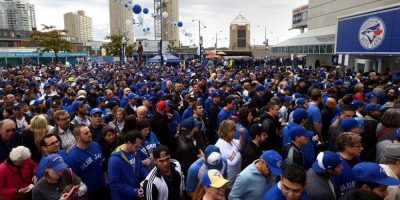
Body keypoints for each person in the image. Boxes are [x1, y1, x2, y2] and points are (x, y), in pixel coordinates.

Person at [66, 124, 110, 200]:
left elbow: (103, 163)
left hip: (103, 186)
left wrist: (106, 179)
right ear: (78, 138)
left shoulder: (95, 145)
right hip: (90, 193)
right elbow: (74, 180)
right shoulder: (72, 157)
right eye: (86, 133)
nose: (90, 134)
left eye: (89, 132)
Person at [108, 130, 148, 200]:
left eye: (139, 146)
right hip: (122, 197)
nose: (138, 149)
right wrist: (134, 191)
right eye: (136, 146)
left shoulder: (135, 151)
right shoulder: (114, 160)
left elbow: (139, 167)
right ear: (129, 143)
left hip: (135, 193)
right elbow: (114, 184)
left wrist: (148, 178)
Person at [215, 120, 245, 190]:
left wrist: (242, 135)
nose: (235, 132)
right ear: (228, 132)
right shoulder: (219, 147)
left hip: (236, 182)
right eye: (234, 130)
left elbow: (240, 145)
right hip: (228, 187)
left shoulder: (231, 141)